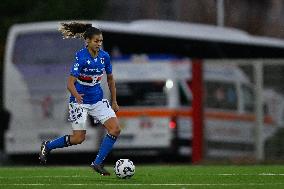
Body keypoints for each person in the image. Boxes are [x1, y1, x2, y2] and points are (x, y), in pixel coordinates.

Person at [39, 22, 121, 176]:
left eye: (101, 41)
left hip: (97, 100)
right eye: (96, 41)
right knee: (78, 138)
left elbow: (110, 80)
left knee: (115, 129)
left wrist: (114, 101)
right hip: (79, 102)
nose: (99, 44)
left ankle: (97, 163)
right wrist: (77, 95)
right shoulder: (80, 56)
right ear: (87, 41)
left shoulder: (105, 57)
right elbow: (70, 83)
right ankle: (48, 145)